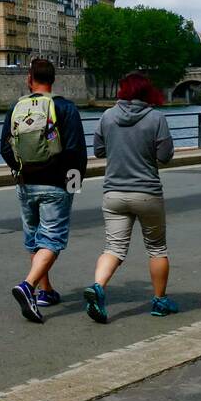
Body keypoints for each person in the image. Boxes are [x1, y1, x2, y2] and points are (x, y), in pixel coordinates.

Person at [0, 57, 88, 324]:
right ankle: (28, 286)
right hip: (56, 183)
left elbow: (5, 148)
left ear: (29, 79)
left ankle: (46, 291)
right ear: (53, 79)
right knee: (52, 239)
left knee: (35, 238)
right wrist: (73, 184)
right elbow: (75, 152)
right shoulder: (65, 108)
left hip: (26, 183)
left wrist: (20, 171)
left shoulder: (17, 107)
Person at [85, 73, 177, 323]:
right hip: (147, 192)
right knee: (157, 248)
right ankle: (159, 301)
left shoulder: (107, 116)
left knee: (113, 247)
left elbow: (98, 150)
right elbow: (166, 155)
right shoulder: (156, 118)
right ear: (147, 92)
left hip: (114, 192)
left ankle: (98, 287)